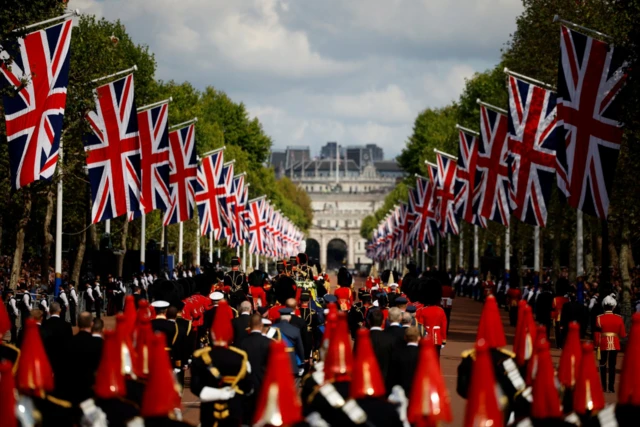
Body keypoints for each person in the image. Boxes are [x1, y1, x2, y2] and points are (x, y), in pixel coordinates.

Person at [190, 300, 252, 427]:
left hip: (209, 411)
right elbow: (248, 387)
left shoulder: (202, 356)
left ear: (212, 334)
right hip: (233, 410)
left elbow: (195, 387)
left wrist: (216, 394)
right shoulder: (240, 357)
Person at [238, 313, 272, 424]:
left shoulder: (243, 343)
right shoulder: (268, 342)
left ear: (249, 325)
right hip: (263, 382)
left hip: (247, 383)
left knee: (248, 416)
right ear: (261, 325)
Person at [68, 312, 104, 403]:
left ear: (77, 323)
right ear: (91, 324)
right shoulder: (99, 344)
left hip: (72, 390)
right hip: (92, 391)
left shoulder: (68, 342)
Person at [595, 293, 627, 393]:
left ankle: (604, 387)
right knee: (612, 366)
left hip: (603, 344)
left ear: (604, 306)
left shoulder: (599, 318)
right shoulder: (619, 318)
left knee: (603, 365)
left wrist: (597, 346)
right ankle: (611, 387)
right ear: (613, 306)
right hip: (615, 343)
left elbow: (597, 334)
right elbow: (623, 334)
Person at [42, 302, 73, 390]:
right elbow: (69, 343)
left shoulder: (45, 324)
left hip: (47, 357)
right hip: (62, 358)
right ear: (59, 310)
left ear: (50, 311)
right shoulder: (66, 325)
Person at [273, 307, 305, 377]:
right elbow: (300, 347)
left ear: (280, 317)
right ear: (289, 317)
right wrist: (302, 361)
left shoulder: (272, 328)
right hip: (291, 361)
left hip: (276, 360)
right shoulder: (295, 329)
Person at [389, 326, 420, 395]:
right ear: (418, 338)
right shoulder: (422, 354)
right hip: (418, 391)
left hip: (401, 390)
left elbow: (392, 375)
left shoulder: (398, 353)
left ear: (405, 337)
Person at [369, 309, 394, 381]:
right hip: (385, 379)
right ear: (383, 321)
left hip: (367, 379)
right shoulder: (389, 338)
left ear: (369, 321)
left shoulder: (361, 339)